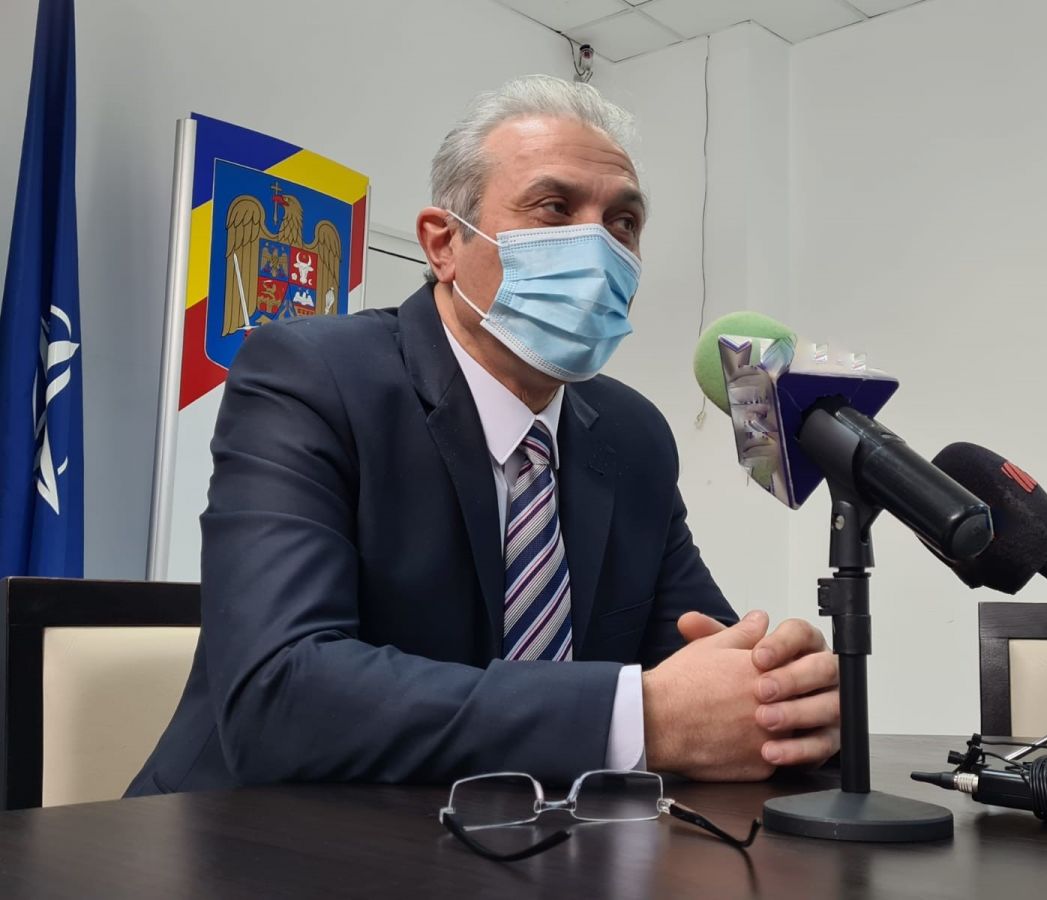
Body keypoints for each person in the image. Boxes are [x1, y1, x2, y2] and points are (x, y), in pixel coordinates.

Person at [127, 75, 839, 796]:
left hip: (531, 835)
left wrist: (778, 695)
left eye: (623, 222)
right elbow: (280, 697)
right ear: (443, 244)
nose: (599, 245)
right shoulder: (310, 377)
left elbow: (702, 662)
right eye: (554, 208)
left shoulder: (633, 435)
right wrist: (638, 716)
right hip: (250, 830)